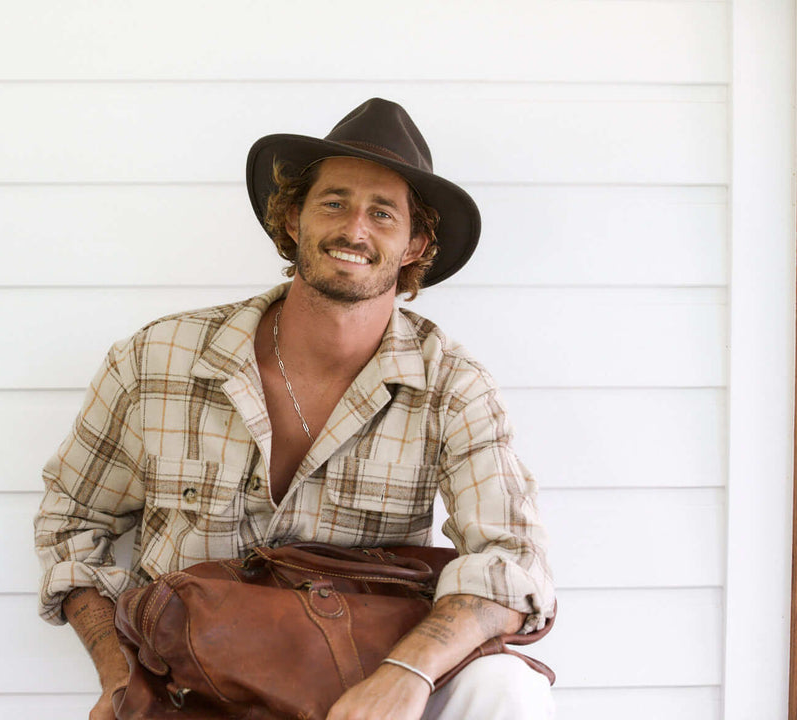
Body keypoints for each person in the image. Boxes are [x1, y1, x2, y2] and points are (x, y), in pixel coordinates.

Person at [35, 98, 556, 720]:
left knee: (509, 689)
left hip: (362, 688)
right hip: (191, 686)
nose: (354, 229)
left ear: (416, 243)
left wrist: (406, 674)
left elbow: (511, 563)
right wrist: (119, 680)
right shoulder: (158, 358)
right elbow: (71, 523)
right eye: (334, 203)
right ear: (293, 220)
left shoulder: (451, 385)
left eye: (382, 213)